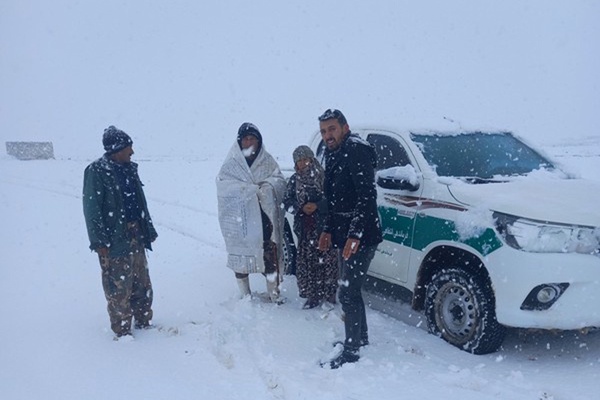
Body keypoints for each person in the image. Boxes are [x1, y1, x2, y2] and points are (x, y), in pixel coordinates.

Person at [317, 109, 383, 369]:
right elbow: (333, 199)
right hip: (347, 234)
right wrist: (327, 229)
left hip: (363, 235)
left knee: (347, 292)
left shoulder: (355, 149)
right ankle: (360, 338)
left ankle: (352, 350)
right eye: (323, 131)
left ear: (345, 127)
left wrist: (355, 234)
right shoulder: (333, 153)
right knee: (350, 289)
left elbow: (367, 197)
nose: (327, 136)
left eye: (332, 129)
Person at [83, 126, 158, 339]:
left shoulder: (129, 168)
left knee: (141, 281)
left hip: (136, 233)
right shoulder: (97, 171)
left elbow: (139, 202)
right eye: (128, 148)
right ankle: (123, 331)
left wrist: (147, 228)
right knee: (118, 286)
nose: (132, 152)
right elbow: (92, 209)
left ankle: (144, 321)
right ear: (116, 149)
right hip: (113, 239)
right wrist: (99, 241)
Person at [216, 122, 287, 303]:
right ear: (240, 141)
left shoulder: (267, 161)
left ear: (258, 141)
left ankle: (274, 293)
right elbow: (224, 186)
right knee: (241, 258)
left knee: (269, 256)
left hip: (264, 221)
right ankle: (245, 293)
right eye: (246, 138)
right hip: (240, 223)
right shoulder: (232, 164)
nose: (249, 142)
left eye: (253, 138)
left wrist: (267, 187)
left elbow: (278, 180)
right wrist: (247, 190)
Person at [283, 145, 338, 309]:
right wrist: (300, 208)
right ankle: (313, 296)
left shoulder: (324, 177)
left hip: (324, 229)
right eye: (299, 161)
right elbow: (287, 202)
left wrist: (318, 206)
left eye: (305, 159)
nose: (303, 164)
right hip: (305, 231)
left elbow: (334, 201)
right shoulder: (294, 180)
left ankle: (329, 296)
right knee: (309, 264)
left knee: (327, 262)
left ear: (312, 159)